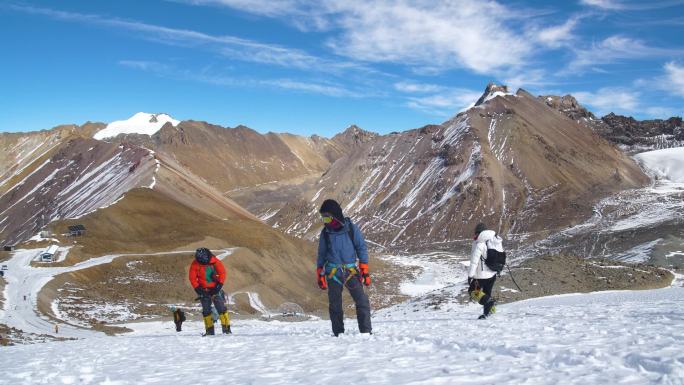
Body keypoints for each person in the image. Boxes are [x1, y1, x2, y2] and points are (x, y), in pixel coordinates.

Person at [316, 199, 372, 336]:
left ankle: (365, 332)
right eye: (323, 218)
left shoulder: (352, 229)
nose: (325, 221)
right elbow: (321, 254)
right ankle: (338, 333)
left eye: (328, 217)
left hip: (350, 272)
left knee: (362, 301)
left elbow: (361, 248)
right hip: (333, 273)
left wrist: (364, 270)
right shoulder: (325, 233)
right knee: (335, 305)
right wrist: (320, 273)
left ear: (335, 215)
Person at [188, 248, 231, 335]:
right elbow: (192, 278)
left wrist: (219, 285)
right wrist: (198, 289)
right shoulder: (195, 263)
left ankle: (226, 329)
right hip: (203, 290)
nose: (201, 260)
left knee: (221, 309)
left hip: (215, 289)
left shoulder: (215, 261)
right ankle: (209, 331)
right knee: (206, 310)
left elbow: (222, 273)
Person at [468, 223, 503, 319]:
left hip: (481, 276)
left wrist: (470, 275)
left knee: (473, 291)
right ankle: (489, 314)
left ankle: (490, 303)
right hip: (492, 274)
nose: (474, 235)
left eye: (475, 233)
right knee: (487, 294)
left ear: (479, 233)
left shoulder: (479, 243)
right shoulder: (494, 241)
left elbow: (474, 261)